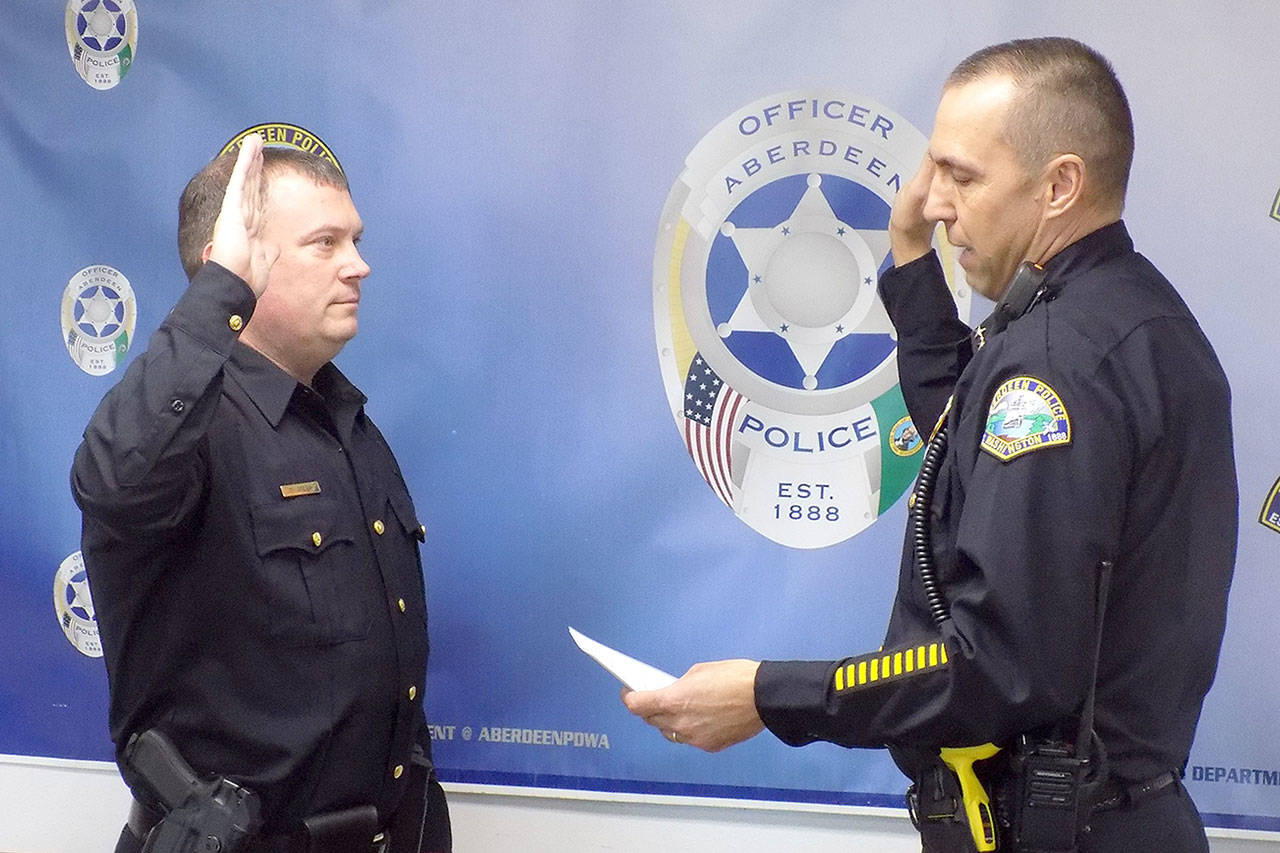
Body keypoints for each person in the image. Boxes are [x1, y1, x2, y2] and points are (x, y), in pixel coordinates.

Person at [623, 37, 1237, 852]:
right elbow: (967, 440)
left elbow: (997, 667)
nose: (936, 201)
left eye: (963, 175)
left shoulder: (1054, 363)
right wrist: (912, 262)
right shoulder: (1126, 317)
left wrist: (770, 695)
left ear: (1060, 185)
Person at [71, 134, 452, 852]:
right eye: (325, 242)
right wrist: (219, 296)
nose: (359, 265)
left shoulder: (349, 428)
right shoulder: (188, 430)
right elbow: (113, 481)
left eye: (356, 239)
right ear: (237, 263)